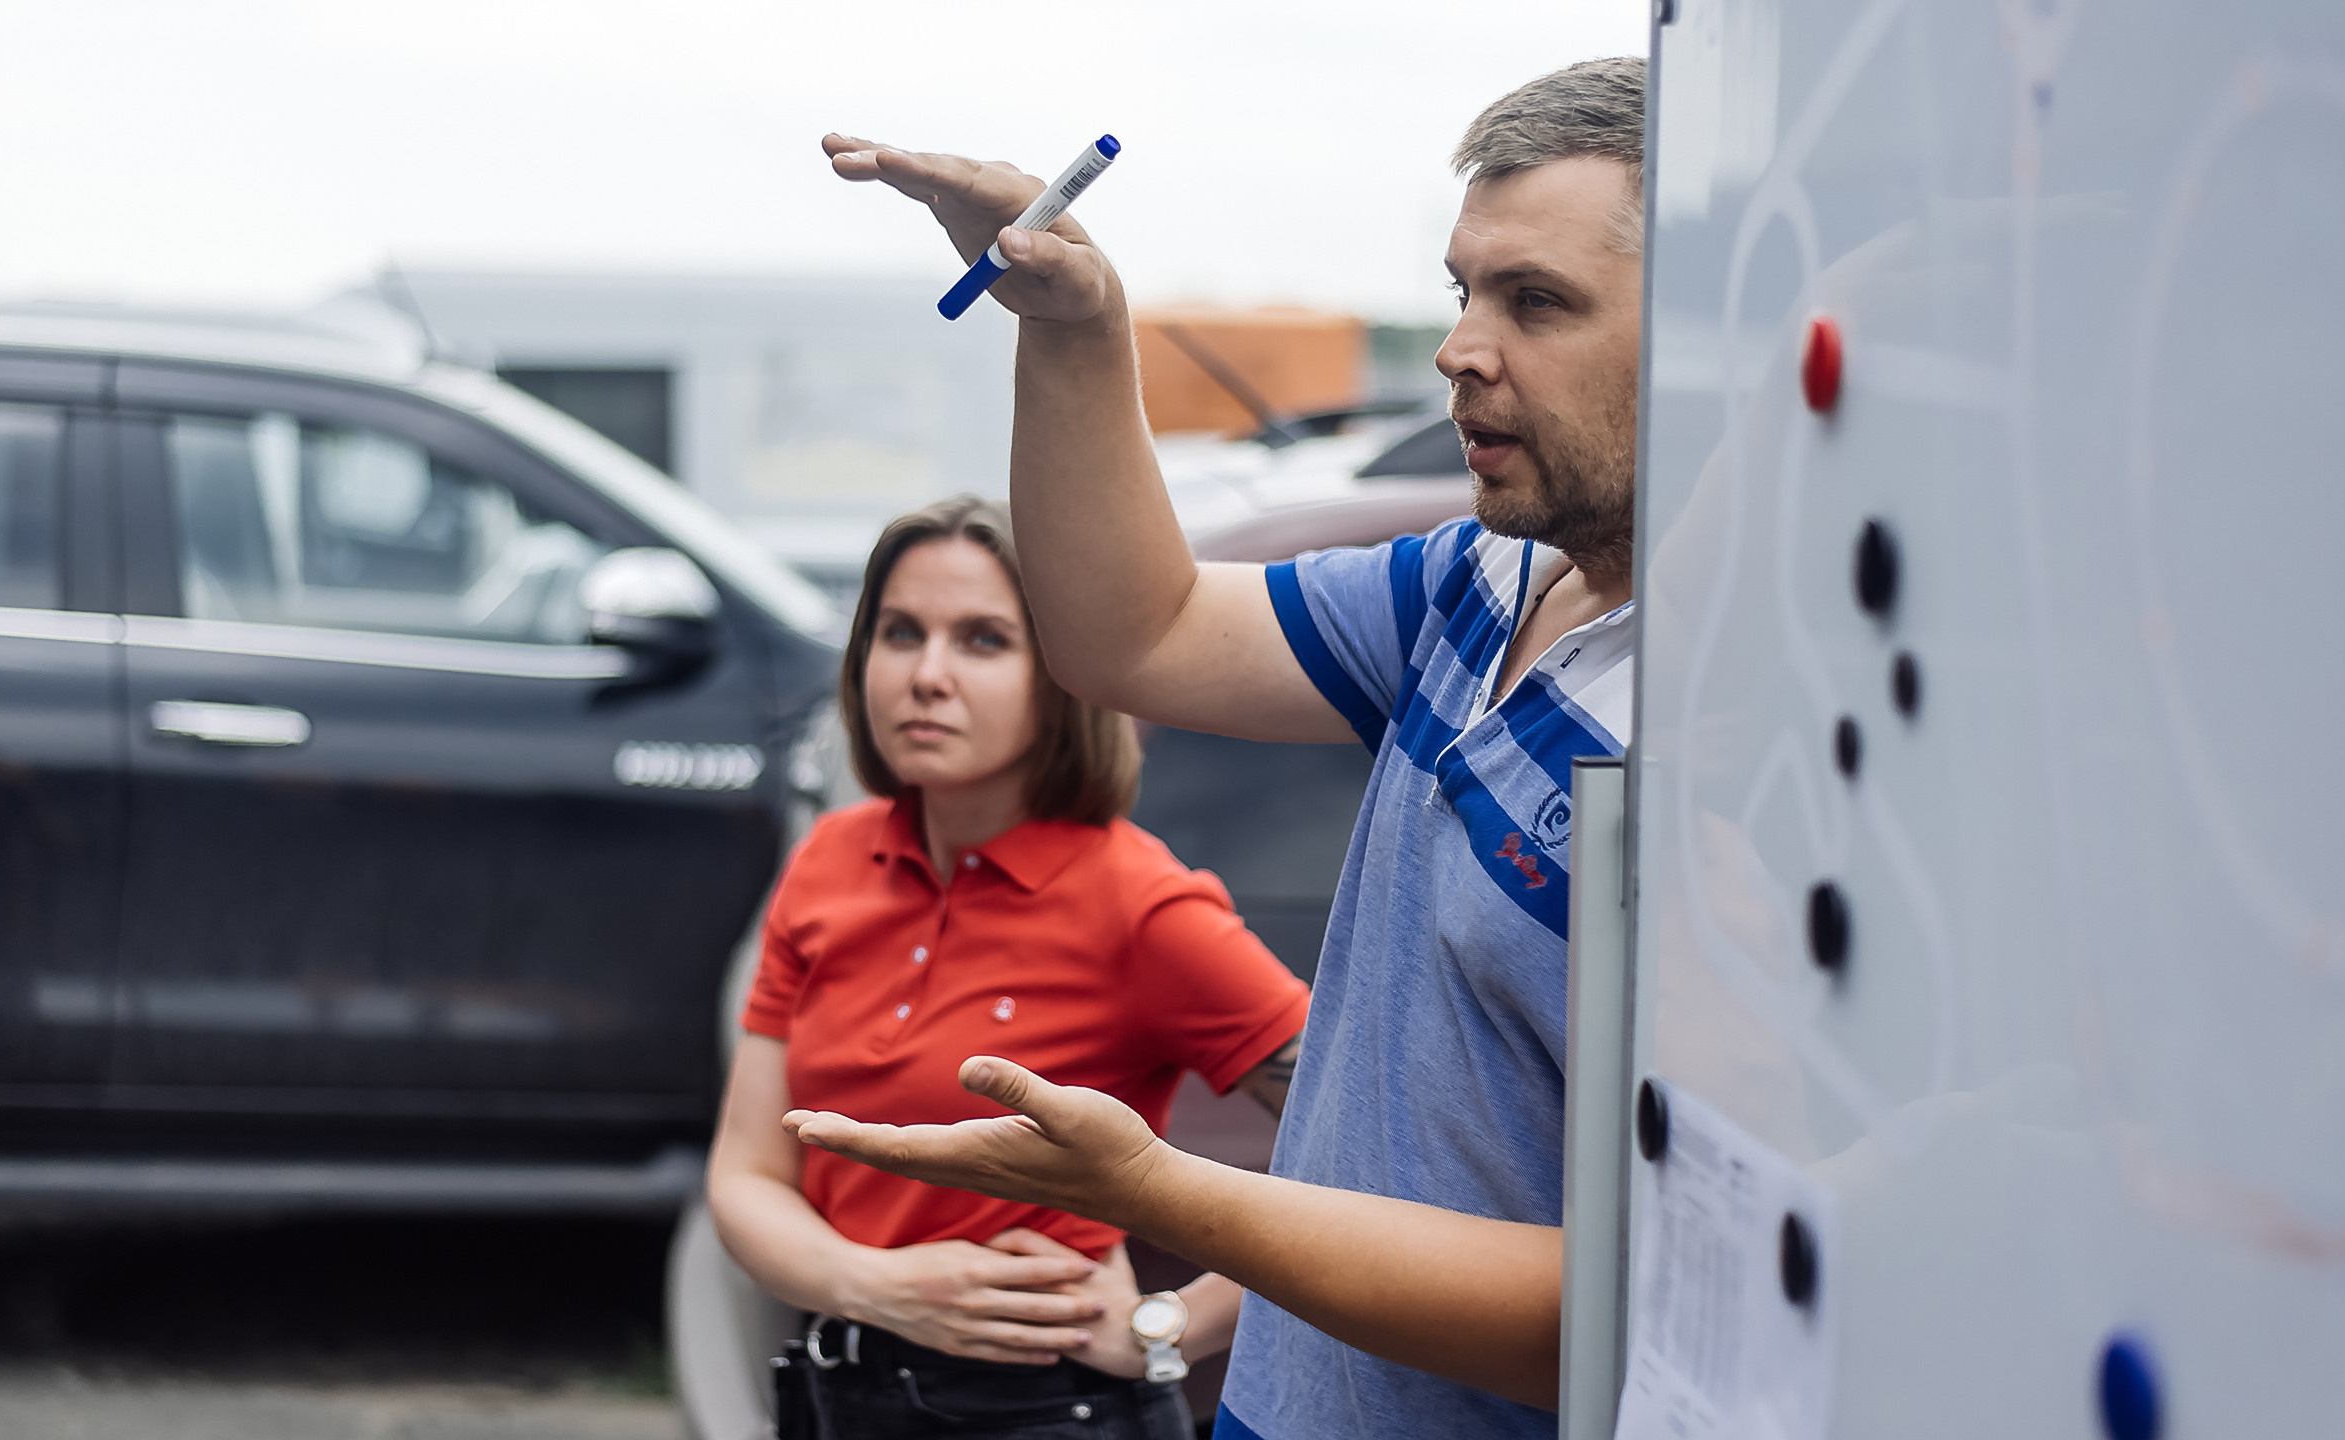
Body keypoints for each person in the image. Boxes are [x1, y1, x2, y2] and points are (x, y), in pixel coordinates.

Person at [782, 57, 1648, 1440]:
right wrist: (1077, 322)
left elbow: (1618, 1316)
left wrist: (1160, 1200)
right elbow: (1140, 633)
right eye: (1462, 290)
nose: (1460, 349)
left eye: (1535, 301)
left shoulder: (1728, 743)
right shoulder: (1483, 584)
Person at [704, 494, 1311, 1439]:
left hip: (1045, 1411)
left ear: (1064, 673)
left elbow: (1366, 1151)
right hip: (834, 1394)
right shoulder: (826, 862)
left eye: (983, 640)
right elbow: (745, 1175)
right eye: (900, 633)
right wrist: (879, 1285)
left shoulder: (1140, 902)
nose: (927, 675)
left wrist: (1173, 1327)